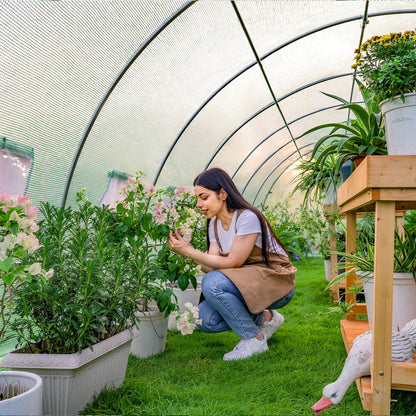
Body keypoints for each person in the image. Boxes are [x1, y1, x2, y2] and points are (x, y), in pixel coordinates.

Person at [167, 167, 296, 361]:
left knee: (212, 283)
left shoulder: (247, 217)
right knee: (204, 319)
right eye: (197, 198)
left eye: (204, 197)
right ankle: (268, 318)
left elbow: (232, 262)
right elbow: (212, 267)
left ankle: (254, 339)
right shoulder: (214, 224)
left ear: (223, 194)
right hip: (247, 283)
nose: (198, 204)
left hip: (276, 283)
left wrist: (189, 251)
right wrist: (187, 251)